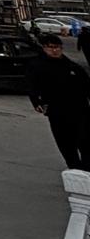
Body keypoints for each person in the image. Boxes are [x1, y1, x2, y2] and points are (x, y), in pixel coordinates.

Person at [30, 32, 90, 170]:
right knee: (66, 144)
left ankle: (87, 169)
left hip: (80, 112)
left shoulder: (73, 67)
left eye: (57, 47)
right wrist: (37, 102)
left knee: (85, 142)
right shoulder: (37, 66)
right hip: (57, 113)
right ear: (44, 48)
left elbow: (87, 86)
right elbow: (32, 86)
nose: (55, 50)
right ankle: (75, 169)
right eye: (51, 47)